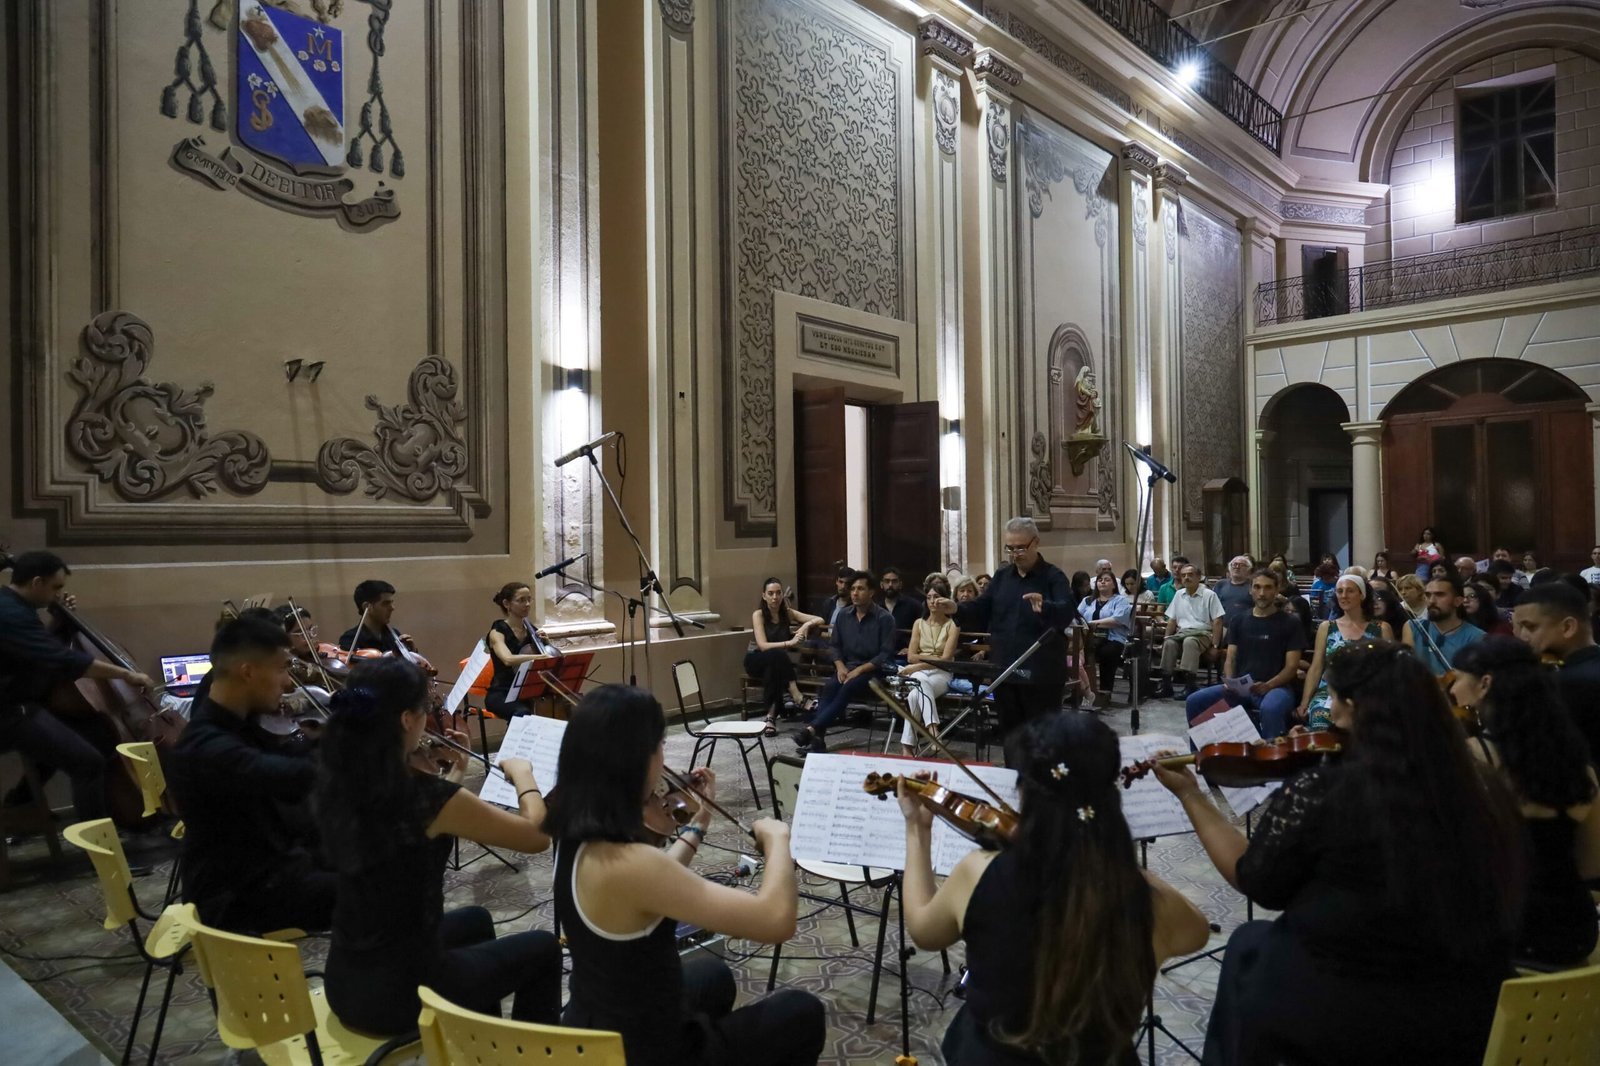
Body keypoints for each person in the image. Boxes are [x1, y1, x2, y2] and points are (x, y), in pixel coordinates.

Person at [1155, 640, 1524, 1066]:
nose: (1329, 713)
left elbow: (1254, 877)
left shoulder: (1329, 791)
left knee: (1249, 945)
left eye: (1331, 699)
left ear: (1352, 707)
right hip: (1468, 1012)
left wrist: (1191, 796)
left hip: (1354, 1019)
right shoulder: (1480, 785)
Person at [900, 713, 1209, 1065]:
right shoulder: (1150, 902)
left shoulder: (979, 871)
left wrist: (917, 829)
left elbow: (924, 931)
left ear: (1025, 792)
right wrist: (1112, 856)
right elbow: (1197, 933)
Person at [549, 685, 824, 1066]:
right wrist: (778, 839)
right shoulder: (633, 863)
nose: (664, 759)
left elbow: (654, 888)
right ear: (635, 760)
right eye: (660, 745)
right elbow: (776, 920)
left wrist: (698, 825)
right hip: (644, 1052)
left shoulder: (572, 833)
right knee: (801, 1012)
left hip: (594, 1022)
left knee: (712, 975)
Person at [317, 657, 562, 1034]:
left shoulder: (343, 776)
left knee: (476, 921)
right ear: (406, 720)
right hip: (401, 995)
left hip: (348, 978)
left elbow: (427, 818)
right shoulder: (422, 795)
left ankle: (479, 1045)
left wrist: (457, 771)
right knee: (543, 949)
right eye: (424, 710)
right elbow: (536, 836)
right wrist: (525, 776)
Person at [168, 615, 334, 934]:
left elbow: (291, 766)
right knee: (379, 890)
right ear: (248, 672)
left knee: (379, 864)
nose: (288, 683)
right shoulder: (206, 746)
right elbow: (291, 777)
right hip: (234, 899)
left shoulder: (242, 724)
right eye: (282, 668)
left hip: (269, 869)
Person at [1449, 638, 1600, 966]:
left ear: (1485, 684)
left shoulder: (1472, 758)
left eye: (1458, 678)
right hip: (1574, 936)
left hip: (1503, 933)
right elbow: (1591, 865)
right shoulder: (1581, 768)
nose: (1452, 689)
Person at [0, 551, 153, 824]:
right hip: (9, 712)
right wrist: (126, 674)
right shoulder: (9, 613)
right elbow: (63, 660)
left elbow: (39, 650)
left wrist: (61, 620)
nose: (58, 594)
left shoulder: (16, 606)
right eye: (55, 587)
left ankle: (21, 804)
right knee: (88, 763)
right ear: (37, 582)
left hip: (23, 704)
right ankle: (98, 844)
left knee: (95, 733)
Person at [934, 517, 1074, 759]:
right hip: (1005, 670)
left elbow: (1067, 612)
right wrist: (956, 608)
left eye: (1020, 548)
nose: (1015, 554)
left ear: (1036, 542)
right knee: (1012, 738)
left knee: (1043, 741)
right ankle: (1013, 778)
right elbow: (982, 607)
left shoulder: (1053, 577)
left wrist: (1046, 607)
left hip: (1041, 674)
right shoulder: (1002, 577)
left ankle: (1042, 782)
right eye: (1010, 548)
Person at [1184, 568, 1306, 739]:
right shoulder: (1238, 620)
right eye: (1257, 587)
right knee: (1194, 701)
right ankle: (1203, 752)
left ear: (1276, 590)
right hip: (1242, 688)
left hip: (1277, 688)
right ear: (1250, 589)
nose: (1262, 593)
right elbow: (1231, 657)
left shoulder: (1290, 623)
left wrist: (1268, 685)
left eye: (1268, 587)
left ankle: (1271, 751)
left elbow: (1292, 666)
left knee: (1270, 708)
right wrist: (1230, 682)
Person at [792, 571, 893, 754]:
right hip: (847, 667)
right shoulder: (844, 615)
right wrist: (840, 666)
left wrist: (859, 670)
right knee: (830, 687)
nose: (855, 593)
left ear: (871, 592)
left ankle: (811, 729)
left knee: (848, 687)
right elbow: (835, 645)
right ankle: (817, 741)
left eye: (860, 589)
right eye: (853, 589)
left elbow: (884, 654)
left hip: (872, 671)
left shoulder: (884, 618)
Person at [1513, 581, 1600, 766]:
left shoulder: (1568, 683)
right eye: (1519, 628)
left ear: (1568, 627)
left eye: (1530, 627)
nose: (1522, 637)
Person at [1296, 574, 1392, 732]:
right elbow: (1316, 667)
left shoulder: (1382, 628)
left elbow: (1390, 669)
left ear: (1362, 595)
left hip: (1368, 691)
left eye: (1350, 591)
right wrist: (1305, 701)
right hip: (1331, 691)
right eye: (1340, 591)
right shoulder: (1327, 627)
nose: (1344, 595)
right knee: (1320, 716)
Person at [745, 579, 823, 736]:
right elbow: (763, 646)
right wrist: (790, 643)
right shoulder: (758, 615)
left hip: (776, 664)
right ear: (764, 596)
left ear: (782, 595)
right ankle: (797, 696)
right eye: (770, 593)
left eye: (778, 593)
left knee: (774, 670)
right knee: (777, 655)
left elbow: (819, 619)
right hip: (756, 659)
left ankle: (770, 718)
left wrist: (806, 625)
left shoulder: (787, 613)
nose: (775, 597)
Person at [482, 582, 562, 718]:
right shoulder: (497, 632)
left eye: (529, 599)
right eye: (521, 600)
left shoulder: (532, 631)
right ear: (506, 604)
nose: (527, 604)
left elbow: (552, 660)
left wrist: (547, 644)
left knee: (563, 706)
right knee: (522, 713)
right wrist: (540, 657)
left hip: (528, 691)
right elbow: (508, 659)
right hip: (503, 692)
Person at [897, 594, 960, 754]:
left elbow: (946, 660)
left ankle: (907, 746)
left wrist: (918, 664)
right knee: (920, 682)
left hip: (941, 672)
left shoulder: (953, 625)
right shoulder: (918, 623)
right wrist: (932, 659)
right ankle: (933, 730)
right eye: (929, 597)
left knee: (914, 695)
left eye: (937, 597)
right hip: (919, 672)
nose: (933, 601)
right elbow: (911, 656)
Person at [1155, 564, 1224, 699]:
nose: (1186, 578)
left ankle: (1190, 685)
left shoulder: (1209, 594)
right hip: (1183, 632)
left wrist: (1215, 646)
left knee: (1190, 641)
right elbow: (1172, 620)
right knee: (1169, 643)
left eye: (1190, 575)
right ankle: (1166, 685)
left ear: (1199, 577)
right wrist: (1166, 638)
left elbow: (1217, 621)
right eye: (1183, 575)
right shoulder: (1179, 594)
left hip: (1202, 633)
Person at [1400, 573, 1484, 677]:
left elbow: (1472, 678)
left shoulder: (1477, 637)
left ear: (1458, 601)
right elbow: (1407, 670)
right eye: (1428, 595)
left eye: (1440, 595)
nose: (1431, 601)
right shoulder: (1412, 627)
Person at [1078, 571, 1133, 710]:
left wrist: (1093, 623)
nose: (1102, 582)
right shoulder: (1087, 600)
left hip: (1113, 637)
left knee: (1107, 653)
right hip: (1089, 638)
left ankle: (1105, 692)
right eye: (1100, 580)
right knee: (1076, 653)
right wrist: (1087, 625)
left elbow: (1117, 620)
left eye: (1107, 580)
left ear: (1114, 584)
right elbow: (1078, 617)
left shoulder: (1120, 601)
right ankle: (1082, 692)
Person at [338, 579, 407, 654]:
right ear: (367, 607)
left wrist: (411, 652)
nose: (392, 608)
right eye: (386, 603)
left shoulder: (395, 635)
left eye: (391, 603)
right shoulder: (350, 639)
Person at [877, 566, 922, 637]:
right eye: (887, 581)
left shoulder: (914, 606)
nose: (890, 585)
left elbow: (922, 632)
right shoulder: (876, 608)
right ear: (881, 584)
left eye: (894, 581)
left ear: (900, 584)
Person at [1215, 556, 1254, 622]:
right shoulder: (1220, 584)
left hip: (1247, 624)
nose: (1237, 567)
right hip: (1223, 625)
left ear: (1248, 570)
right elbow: (1213, 607)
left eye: (1242, 565)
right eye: (1234, 564)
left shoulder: (1253, 586)